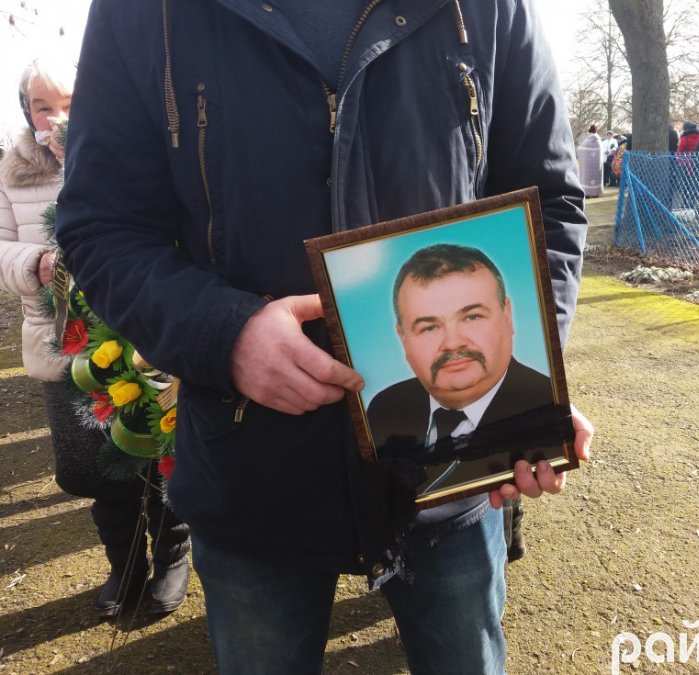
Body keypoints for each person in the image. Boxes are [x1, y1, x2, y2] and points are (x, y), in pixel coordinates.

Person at [56, 2, 594, 672]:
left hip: (450, 476)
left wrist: (524, 383)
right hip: (252, 473)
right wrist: (226, 334)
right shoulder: (145, 12)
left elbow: (551, 203)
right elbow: (101, 226)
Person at [0, 59, 190, 618]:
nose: (57, 117)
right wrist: (35, 262)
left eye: (69, 103)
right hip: (63, 342)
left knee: (159, 449)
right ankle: (122, 564)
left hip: (139, 335)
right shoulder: (12, 172)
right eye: (43, 107)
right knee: (97, 465)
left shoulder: (130, 153)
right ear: (27, 113)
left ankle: (173, 555)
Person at [368, 243, 557, 497]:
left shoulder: (546, 408)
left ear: (507, 316)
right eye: (429, 327)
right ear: (403, 338)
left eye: (472, 317)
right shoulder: (384, 408)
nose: (453, 343)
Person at [576, 124, 604, 197]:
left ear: (590, 132)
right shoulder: (599, 141)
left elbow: (580, 149)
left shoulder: (587, 141)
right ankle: (596, 193)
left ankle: (587, 193)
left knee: (587, 178)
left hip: (588, 166)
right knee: (596, 177)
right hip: (597, 165)